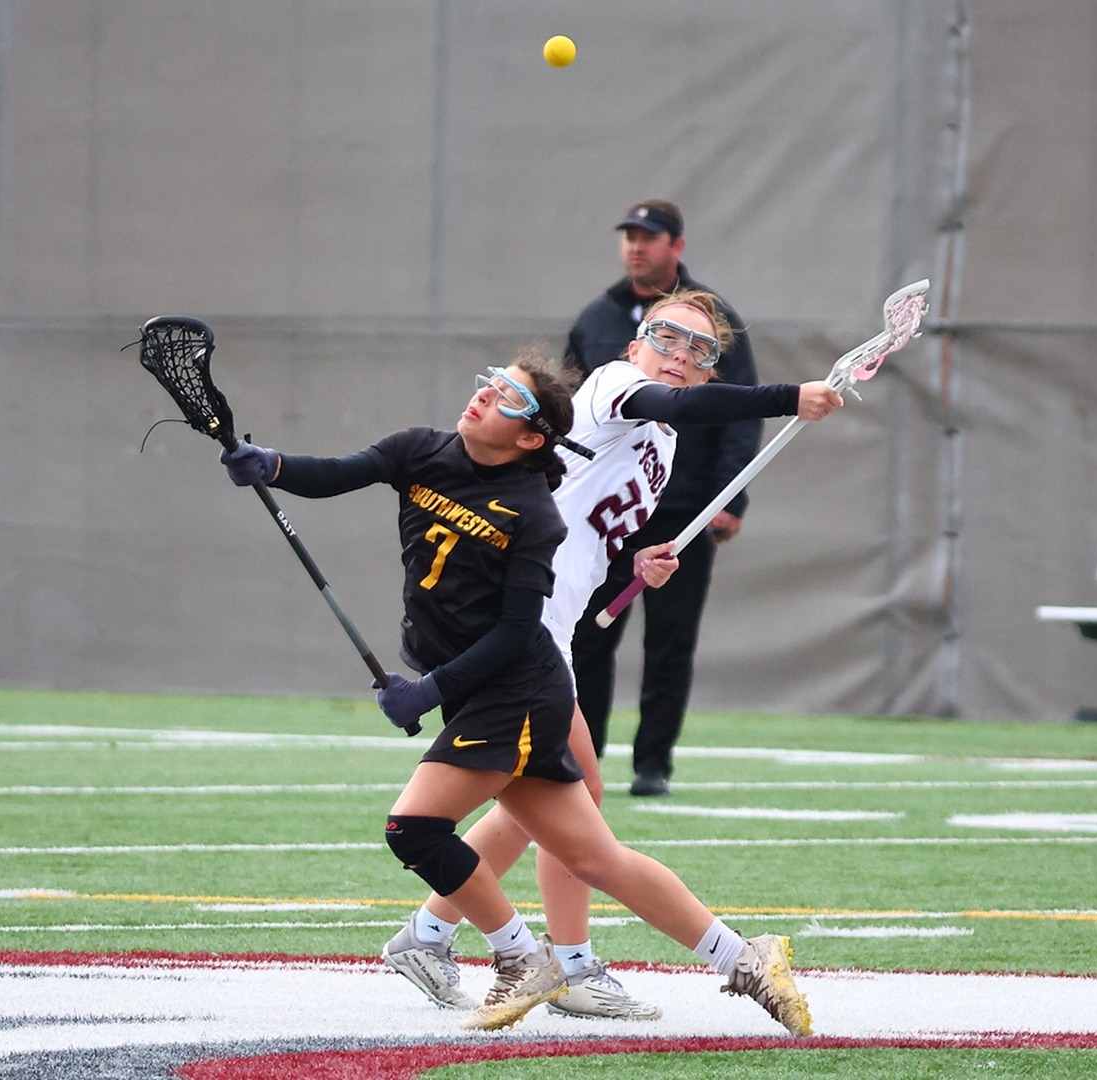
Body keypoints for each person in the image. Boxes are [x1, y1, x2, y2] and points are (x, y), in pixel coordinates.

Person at [221, 348, 815, 1036]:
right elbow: (333, 475)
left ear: (532, 437)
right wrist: (270, 465)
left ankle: (523, 957)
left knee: (413, 827)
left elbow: (514, 633)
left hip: (515, 683)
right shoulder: (421, 449)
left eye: (507, 398)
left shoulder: (534, 512)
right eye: (489, 384)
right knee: (591, 852)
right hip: (487, 678)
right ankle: (745, 959)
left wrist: (427, 692)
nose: (484, 396)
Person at [379, 295, 840, 1023]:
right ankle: (566, 962)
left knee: (568, 808)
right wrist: (789, 397)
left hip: (546, 631)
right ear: (637, 342)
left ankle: (446, 938)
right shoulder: (613, 387)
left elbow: (591, 518)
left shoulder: (663, 438)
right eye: (667, 336)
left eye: (700, 350)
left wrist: (638, 562)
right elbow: (673, 403)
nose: (680, 354)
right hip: (517, 628)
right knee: (577, 826)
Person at [565, 199, 761, 798]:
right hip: (600, 526)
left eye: (649, 237)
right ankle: (583, 755)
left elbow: (732, 408)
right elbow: (577, 405)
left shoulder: (715, 322)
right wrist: (793, 396)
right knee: (586, 642)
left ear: (677, 246)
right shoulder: (601, 328)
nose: (636, 246)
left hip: (683, 510)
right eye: (629, 235)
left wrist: (731, 495)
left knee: (670, 643)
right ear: (634, 347)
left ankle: (652, 763)